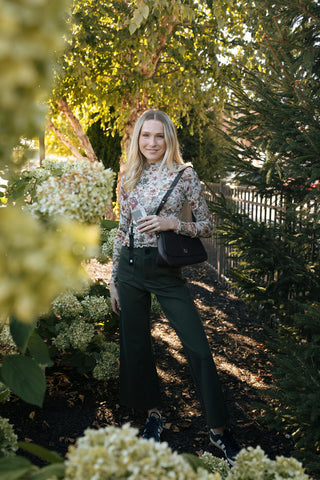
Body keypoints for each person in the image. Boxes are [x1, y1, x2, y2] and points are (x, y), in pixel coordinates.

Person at [109, 109, 242, 465]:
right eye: (145, 136)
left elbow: (207, 226)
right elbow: (122, 230)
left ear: (169, 139)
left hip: (166, 271)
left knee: (197, 347)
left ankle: (219, 431)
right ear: (137, 139)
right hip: (131, 268)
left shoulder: (185, 175)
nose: (152, 143)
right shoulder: (128, 175)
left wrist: (172, 223)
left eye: (159, 136)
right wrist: (113, 278)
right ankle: (154, 415)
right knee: (136, 346)